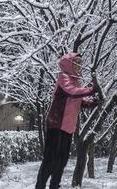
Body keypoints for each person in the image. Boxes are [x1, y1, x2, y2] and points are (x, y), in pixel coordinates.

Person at [36, 52, 100, 189]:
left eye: (80, 63)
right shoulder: (63, 78)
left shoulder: (76, 82)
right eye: (76, 62)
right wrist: (91, 89)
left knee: (62, 160)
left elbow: (80, 100)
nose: (79, 66)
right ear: (68, 63)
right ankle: (40, 186)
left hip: (68, 127)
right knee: (50, 159)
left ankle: (54, 186)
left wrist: (94, 101)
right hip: (56, 124)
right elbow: (72, 92)